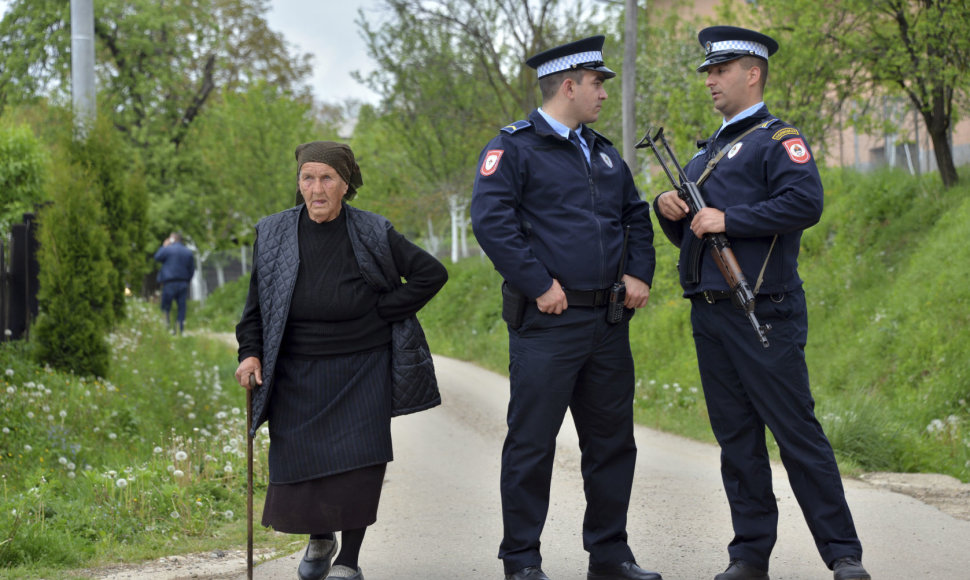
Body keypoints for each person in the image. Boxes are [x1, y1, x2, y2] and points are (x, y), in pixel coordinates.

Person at [651, 26, 871, 580]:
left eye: (720, 70)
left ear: (752, 72)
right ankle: (749, 554)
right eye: (707, 71)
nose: (710, 80)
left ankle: (843, 553)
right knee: (736, 440)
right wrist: (669, 210)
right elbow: (695, 241)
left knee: (796, 433)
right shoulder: (707, 152)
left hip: (763, 308)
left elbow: (806, 201)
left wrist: (730, 218)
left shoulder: (778, 138)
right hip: (711, 311)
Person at [471, 36, 660, 580]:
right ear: (569, 85)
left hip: (607, 320)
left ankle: (610, 554)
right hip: (548, 324)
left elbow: (635, 216)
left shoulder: (602, 152)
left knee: (612, 445)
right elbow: (491, 223)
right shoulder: (513, 149)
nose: (603, 93)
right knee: (532, 445)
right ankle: (522, 561)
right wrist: (537, 283)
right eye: (598, 83)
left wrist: (638, 273)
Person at [233, 141, 448, 580]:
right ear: (298, 183)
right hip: (296, 370)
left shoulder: (371, 230)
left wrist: (386, 310)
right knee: (303, 462)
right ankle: (320, 537)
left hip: (362, 367)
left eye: (327, 178)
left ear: (345, 185)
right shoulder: (274, 232)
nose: (316, 188)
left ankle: (348, 561)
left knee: (357, 465)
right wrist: (250, 353)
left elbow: (431, 273)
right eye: (308, 177)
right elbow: (256, 307)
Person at [153, 232, 195, 335]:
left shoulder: (167, 249)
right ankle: (180, 330)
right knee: (182, 307)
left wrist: (164, 246)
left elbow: (157, 257)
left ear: (172, 239)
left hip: (169, 283)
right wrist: (187, 280)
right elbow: (192, 269)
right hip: (183, 282)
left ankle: (165, 329)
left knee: (166, 307)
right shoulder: (188, 252)